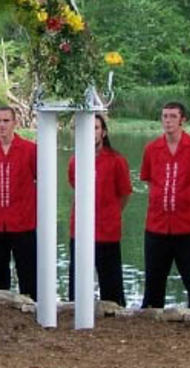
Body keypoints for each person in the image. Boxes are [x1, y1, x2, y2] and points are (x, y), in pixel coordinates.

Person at [140, 101, 190, 310]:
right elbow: (148, 180)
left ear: (183, 120)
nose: (168, 121)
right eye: (164, 116)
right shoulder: (152, 148)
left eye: (173, 116)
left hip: (189, 226)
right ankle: (150, 321)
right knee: (154, 280)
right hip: (157, 225)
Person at [67, 114, 132, 307]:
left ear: (103, 132)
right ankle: (76, 312)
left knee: (110, 283)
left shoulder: (116, 160)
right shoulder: (75, 160)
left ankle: (115, 315)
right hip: (79, 230)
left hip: (107, 231)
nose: (91, 132)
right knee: (78, 279)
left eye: (95, 128)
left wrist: (111, 213)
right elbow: (74, 185)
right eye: (87, 128)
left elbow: (125, 193)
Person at [0, 106, 38, 301]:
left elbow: (43, 180)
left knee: (28, 273)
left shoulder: (30, 150)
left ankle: (33, 308)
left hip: (23, 222)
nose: (1, 125)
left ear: (15, 123)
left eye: (6, 121)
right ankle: (1, 314)